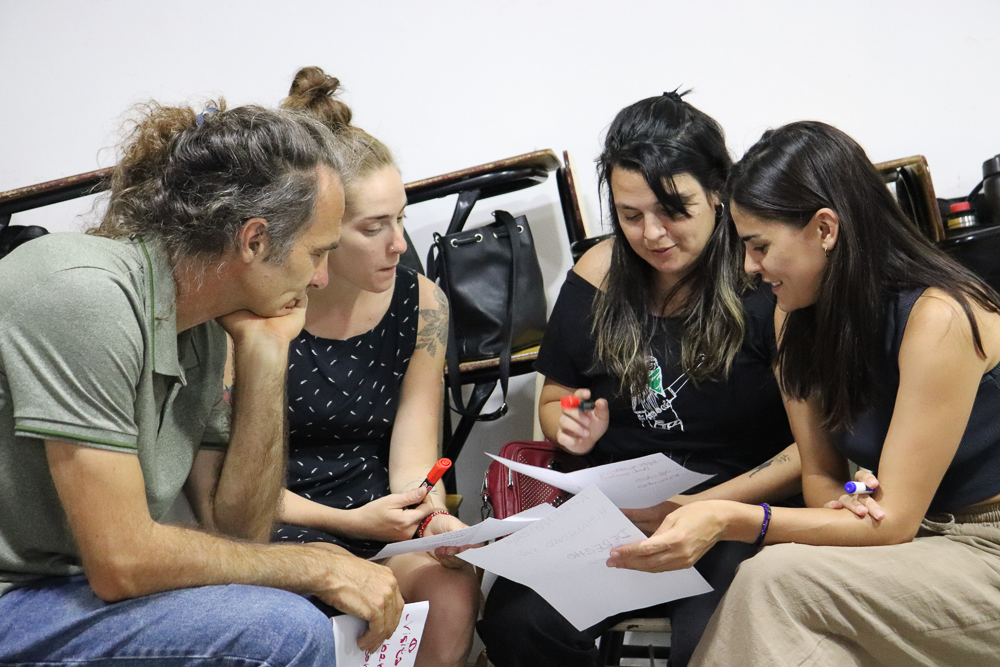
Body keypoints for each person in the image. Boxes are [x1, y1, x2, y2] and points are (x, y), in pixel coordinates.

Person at [0, 100, 406, 667]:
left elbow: (238, 529)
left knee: (281, 612)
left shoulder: (207, 326)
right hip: (16, 596)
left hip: (63, 588)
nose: (319, 278)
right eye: (317, 253)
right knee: (283, 630)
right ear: (255, 240)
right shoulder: (84, 293)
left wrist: (265, 356)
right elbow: (122, 562)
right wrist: (314, 564)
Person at [609, 121, 1000, 666]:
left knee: (774, 577)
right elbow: (821, 474)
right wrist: (850, 501)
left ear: (824, 229)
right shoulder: (793, 318)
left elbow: (894, 523)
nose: (749, 267)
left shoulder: (940, 318)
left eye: (759, 246)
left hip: (984, 547)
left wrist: (728, 516)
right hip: (922, 541)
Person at [477, 92, 803, 667]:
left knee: (717, 639)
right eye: (630, 216)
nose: (652, 234)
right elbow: (557, 400)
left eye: (674, 210)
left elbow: (813, 450)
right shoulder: (597, 274)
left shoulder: (763, 278)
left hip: (736, 508)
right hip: (621, 514)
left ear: (719, 192)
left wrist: (704, 508)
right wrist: (571, 426)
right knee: (517, 620)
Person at [270, 67, 479, 667]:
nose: (399, 245)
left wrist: (431, 517)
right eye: (374, 227)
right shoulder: (264, 308)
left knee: (451, 589)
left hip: (382, 519)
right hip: (280, 523)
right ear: (321, 229)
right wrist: (350, 523)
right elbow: (232, 494)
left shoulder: (422, 302)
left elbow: (414, 463)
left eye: (401, 219)